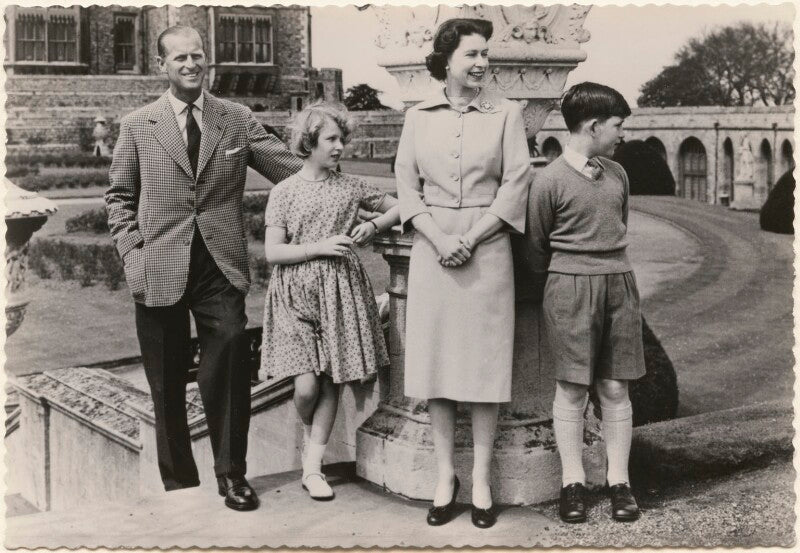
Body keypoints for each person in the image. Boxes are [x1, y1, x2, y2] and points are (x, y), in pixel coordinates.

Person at [105, 25, 303, 512]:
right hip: (158, 265)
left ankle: (232, 475)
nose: (191, 65)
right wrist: (133, 254)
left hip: (219, 262)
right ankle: (180, 486)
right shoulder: (138, 124)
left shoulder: (235, 118)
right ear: (162, 66)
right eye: (180, 59)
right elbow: (119, 198)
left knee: (232, 352)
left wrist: (379, 198)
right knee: (166, 381)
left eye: (198, 56)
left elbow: (295, 171)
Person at [394, 18, 531, 529]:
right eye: (471, 54)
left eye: (485, 54)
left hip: (487, 250)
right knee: (436, 368)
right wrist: (438, 237)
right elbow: (407, 187)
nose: (481, 63)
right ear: (446, 59)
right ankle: (445, 475)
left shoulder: (506, 114)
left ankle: (481, 480)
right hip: (433, 251)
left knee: (483, 368)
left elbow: (517, 184)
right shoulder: (417, 117)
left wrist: (470, 238)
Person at [260, 102, 398, 500]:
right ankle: (310, 437)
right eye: (331, 139)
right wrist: (318, 247)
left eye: (342, 139)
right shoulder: (284, 191)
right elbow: (273, 252)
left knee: (331, 379)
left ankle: (313, 466)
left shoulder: (352, 186)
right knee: (305, 387)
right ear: (309, 142)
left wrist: (373, 225)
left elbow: (403, 206)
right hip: (294, 294)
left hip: (340, 291)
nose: (339, 146)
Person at [522, 82, 644, 523]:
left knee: (615, 386)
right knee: (573, 388)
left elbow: (617, 225)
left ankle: (619, 483)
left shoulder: (617, 174)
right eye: (617, 126)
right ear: (593, 126)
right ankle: (571, 483)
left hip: (618, 283)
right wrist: (566, 282)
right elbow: (536, 248)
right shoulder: (548, 180)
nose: (621, 134)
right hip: (569, 289)